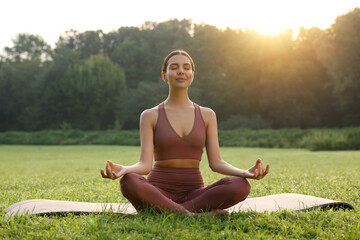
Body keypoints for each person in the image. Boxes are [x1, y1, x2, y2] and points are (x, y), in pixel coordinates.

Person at [101, 49, 269, 215]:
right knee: (129, 181)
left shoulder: (207, 115)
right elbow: (144, 166)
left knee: (241, 185)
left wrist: (245, 173)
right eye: (174, 67)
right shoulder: (150, 115)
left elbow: (217, 163)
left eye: (186, 67)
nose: (181, 70)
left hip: (194, 195)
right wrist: (124, 169)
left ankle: (167, 211)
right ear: (164, 75)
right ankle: (192, 215)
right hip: (157, 192)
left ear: (192, 75)